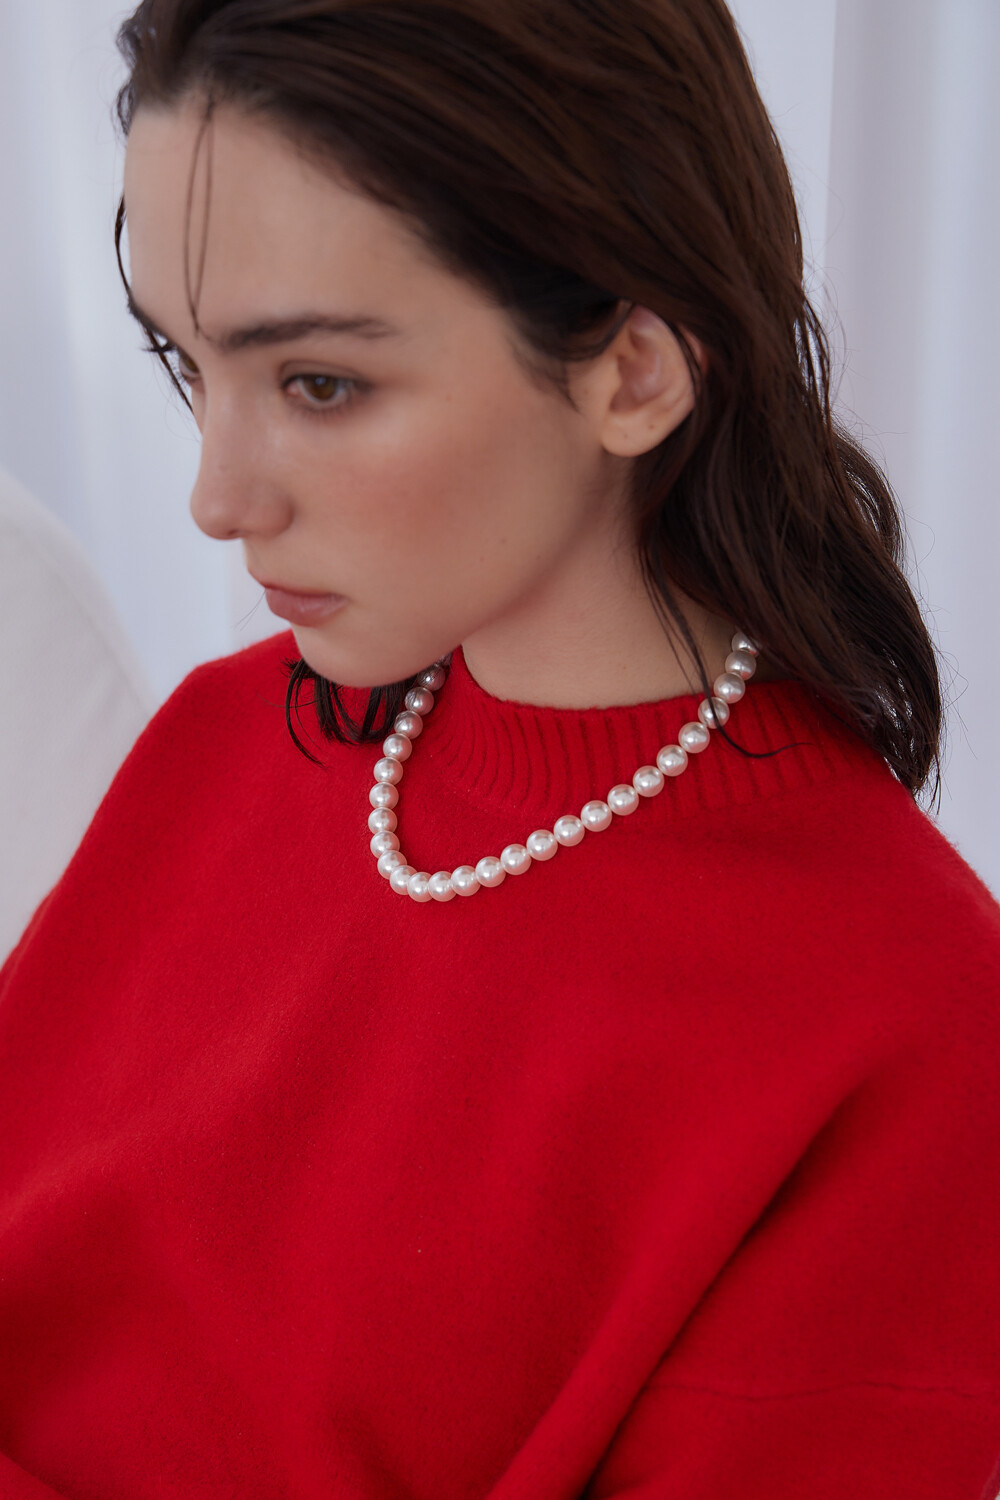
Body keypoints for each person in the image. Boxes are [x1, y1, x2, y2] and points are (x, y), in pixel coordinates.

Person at [0, 0, 998, 1495]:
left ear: (635, 372)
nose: (218, 496)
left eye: (319, 383)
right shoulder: (222, 743)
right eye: (186, 362)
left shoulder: (903, 1025)